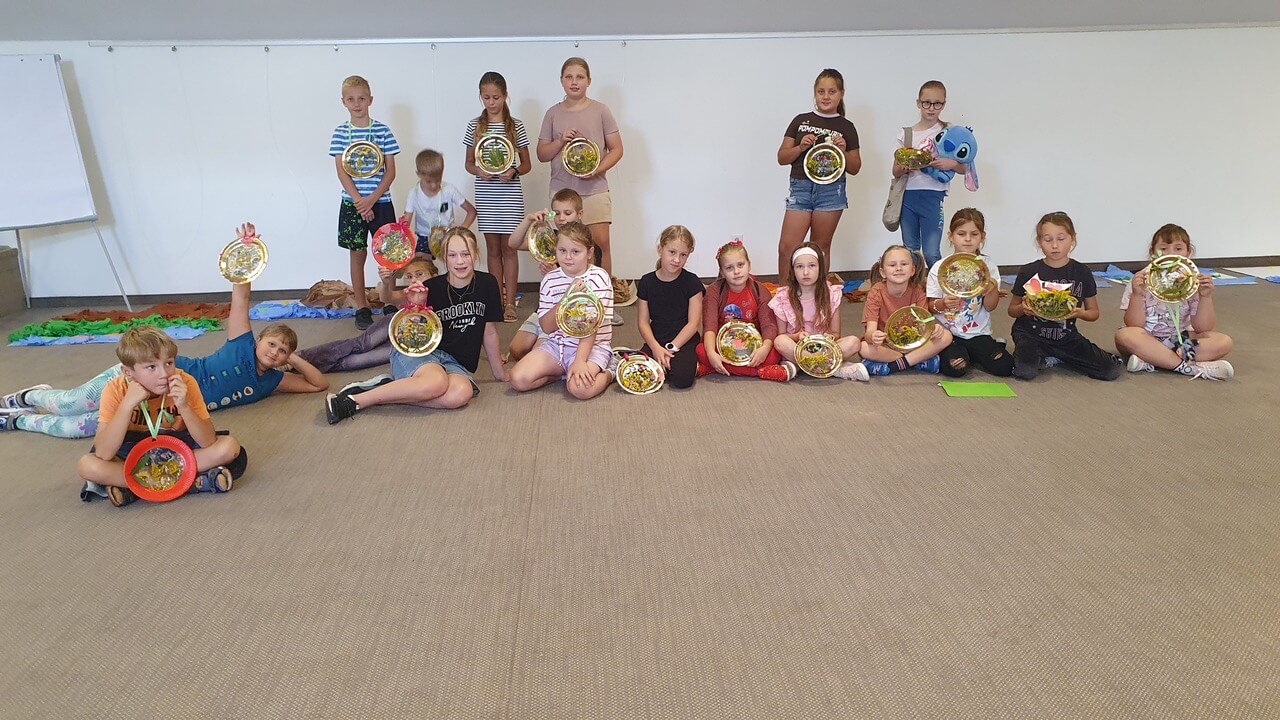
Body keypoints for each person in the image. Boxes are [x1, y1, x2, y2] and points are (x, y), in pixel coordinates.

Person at [0, 223, 328, 438]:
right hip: (148, 371)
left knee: (78, 429)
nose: (275, 352)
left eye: (282, 351)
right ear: (257, 340)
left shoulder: (272, 382)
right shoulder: (240, 344)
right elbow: (240, 297)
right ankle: (29, 396)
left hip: (160, 406)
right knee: (73, 402)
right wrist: (248, 250)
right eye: (272, 344)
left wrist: (294, 359)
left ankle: (18, 420)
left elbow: (318, 385)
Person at [325, 228, 507, 423]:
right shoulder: (432, 286)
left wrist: (500, 374)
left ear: (476, 254)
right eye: (452, 255)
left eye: (466, 254)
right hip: (421, 352)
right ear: (444, 258)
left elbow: (489, 333)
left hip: (454, 362)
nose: (460, 261)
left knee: (461, 394)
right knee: (436, 383)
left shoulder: (488, 283)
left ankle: (392, 389)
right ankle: (353, 401)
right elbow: (389, 298)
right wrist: (390, 286)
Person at [74, 326, 244, 507]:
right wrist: (126, 406)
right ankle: (192, 482)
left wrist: (184, 406)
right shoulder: (115, 389)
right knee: (87, 465)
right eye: (151, 367)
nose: (164, 374)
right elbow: (103, 453)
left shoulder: (185, 382)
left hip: (177, 448)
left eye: (169, 363)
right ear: (128, 372)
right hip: (132, 452)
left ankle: (134, 486)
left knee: (229, 447)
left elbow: (208, 441)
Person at [1007, 212, 1123, 381]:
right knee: (1025, 371)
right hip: (1030, 335)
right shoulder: (1028, 271)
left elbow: (1093, 313)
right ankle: (1047, 357)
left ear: (1072, 239)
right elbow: (1012, 310)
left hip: (1066, 337)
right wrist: (1023, 309)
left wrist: (1080, 313)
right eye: (1048, 240)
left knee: (1110, 371)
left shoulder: (1082, 272)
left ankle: (1054, 357)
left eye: (1061, 239)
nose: (1055, 245)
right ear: (1039, 242)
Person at [536, 57, 624, 278]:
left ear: (589, 81)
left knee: (600, 245)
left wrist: (596, 169)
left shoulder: (601, 110)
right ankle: (566, 294)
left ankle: (603, 293)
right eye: (569, 77)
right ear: (561, 80)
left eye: (580, 77)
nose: (574, 82)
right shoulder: (552, 113)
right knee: (564, 247)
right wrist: (560, 141)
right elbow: (541, 154)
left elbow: (617, 149)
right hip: (561, 193)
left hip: (595, 190)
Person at [507, 222, 614, 400]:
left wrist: (579, 362)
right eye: (562, 250)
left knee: (580, 390)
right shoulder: (550, 279)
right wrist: (566, 299)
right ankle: (562, 374)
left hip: (592, 347)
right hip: (557, 345)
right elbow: (547, 327)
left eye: (576, 251)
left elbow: (591, 328)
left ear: (589, 253)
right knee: (518, 379)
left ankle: (611, 371)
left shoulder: (599, 278)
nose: (568, 257)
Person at [1115, 224, 1234, 380]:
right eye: (1163, 249)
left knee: (1224, 341)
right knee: (1125, 335)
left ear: (1188, 253)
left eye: (1178, 248)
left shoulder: (1193, 281)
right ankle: (1189, 368)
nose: (1171, 253)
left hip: (1178, 341)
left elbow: (1203, 327)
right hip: (1146, 338)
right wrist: (1137, 294)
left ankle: (1153, 361)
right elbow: (1134, 324)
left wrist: (1205, 297)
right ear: (1152, 253)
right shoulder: (1141, 279)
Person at [775, 68, 862, 281]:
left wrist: (842, 150)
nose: (826, 96)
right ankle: (785, 296)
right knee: (787, 248)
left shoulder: (847, 127)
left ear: (841, 94)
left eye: (832, 91)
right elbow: (782, 157)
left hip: (831, 191)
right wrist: (800, 148)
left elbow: (855, 167)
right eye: (821, 91)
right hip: (801, 188)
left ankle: (818, 296)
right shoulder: (800, 120)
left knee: (820, 248)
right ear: (814, 93)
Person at [329, 75, 400, 329]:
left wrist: (371, 200)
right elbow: (342, 173)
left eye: (361, 98)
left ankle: (389, 300)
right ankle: (362, 306)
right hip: (353, 205)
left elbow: (390, 172)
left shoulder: (382, 131)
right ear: (343, 102)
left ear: (370, 100)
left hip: (381, 201)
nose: (357, 104)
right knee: (357, 254)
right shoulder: (340, 133)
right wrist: (360, 202)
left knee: (389, 255)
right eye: (351, 99)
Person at [464, 72, 532, 322]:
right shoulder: (474, 126)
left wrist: (514, 171)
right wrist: (479, 171)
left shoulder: (516, 126)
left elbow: (527, 164)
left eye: (496, 97)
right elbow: (469, 163)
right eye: (486, 97)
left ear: (505, 96)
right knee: (492, 249)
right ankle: (497, 301)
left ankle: (510, 303)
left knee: (509, 248)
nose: (491, 102)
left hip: (510, 193)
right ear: (480, 97)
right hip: (486, 194)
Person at [293, 259, 437, 375]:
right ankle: (299, 357)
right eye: (409, 277)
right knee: (361, 344)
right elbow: (387, 298)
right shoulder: (409, 292)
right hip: (394, 323)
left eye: (419, 274)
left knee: (356, 361)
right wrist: (386, 283)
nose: (414, 280)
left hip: (407, 342)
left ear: (435, 275)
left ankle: (301, 367)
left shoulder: (441, 291)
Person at [926, 208, 1012, 377]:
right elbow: (931, 307)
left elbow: (990, 307)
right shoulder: (940, 267)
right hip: (948, 335)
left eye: (974, 234)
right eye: (961, 234)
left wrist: (991, 288)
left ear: (982, 237)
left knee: (1005, 367)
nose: (967, 239)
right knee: (955, 368)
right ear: (950, 236)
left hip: (978, 333)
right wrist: (943, 304)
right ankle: (963, 355)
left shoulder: (987, 266)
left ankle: (977, 352)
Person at [505, 189, 584, 363]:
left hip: (567, 311)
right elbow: (513, 243)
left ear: (580, 215)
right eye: (556, 213)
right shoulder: (549, 237)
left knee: (536, 353)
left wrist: (555, 276)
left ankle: (553, 358)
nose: (561, 218)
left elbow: (585, 285)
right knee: (516, 349)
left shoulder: (585, 244)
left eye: (567, 213)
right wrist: (528, 220)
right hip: (544, 308)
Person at [696, 241, 793, 383]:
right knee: (701, 351)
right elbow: (709, 327)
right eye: (729, 268)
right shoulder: (714, 291)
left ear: (749, 265)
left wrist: (764, 349)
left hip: (753, 346)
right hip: (723, 345)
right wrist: (711, 353)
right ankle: (759, 371)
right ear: (722, 272)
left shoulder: (760, 290)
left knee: (775, 354)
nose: (736, 271)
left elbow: (769, 326)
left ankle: (715, 368)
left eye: (740, 265)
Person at [892, 80, 964, 268]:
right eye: (927, 103)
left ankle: (935, 287)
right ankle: (912, 286)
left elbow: (965, 168)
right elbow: (895, 170)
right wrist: (907, 166)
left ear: (944, 104)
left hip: (933, 195)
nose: (931, 108)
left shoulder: (949, 132)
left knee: (931, 252)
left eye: (937, 103)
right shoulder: (906, 134)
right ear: (918, 103)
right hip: (908, 195)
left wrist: (951, 163)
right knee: (910, 251)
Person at [770, 243, 867, 380]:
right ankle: (832, 368)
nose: (805, 272)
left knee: (854, 342)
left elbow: (836, 333)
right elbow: (782, 335)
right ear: (793, 270)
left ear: (820, 268)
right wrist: (797, 336)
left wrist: (830, 337)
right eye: (799, 266)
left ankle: (801, 366)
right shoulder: (783, 297)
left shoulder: (831, 294)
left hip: (823, 348)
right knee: (780, 342)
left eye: (812, 266)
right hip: (797, 347)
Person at [860, 245, 952, 375]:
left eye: (904, 264)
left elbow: (925, 325)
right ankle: (917, 361)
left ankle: (896, 365)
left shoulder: (917, 291)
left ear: (912, 270)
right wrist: (873, 337)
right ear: (883, 272)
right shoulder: (876, 292)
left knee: (946, 336)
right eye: (892, 265)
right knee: (863, 347)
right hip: (886, 346)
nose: (898, 268)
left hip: (913, 345)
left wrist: (934, 329)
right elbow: (869, 333)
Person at [635, 226, 704, 389]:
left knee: (682, 380)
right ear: (660, 250)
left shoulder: (692, 282)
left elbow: (693, 324)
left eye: (683, 255)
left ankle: (690, 363)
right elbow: (643, 322)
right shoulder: (646, 282)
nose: (677, 260)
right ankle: (663, 365)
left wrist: (671, 348)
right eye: (672, 252)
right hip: (656, 339)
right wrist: (655, 348)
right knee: (639, 373)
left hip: (684, 340)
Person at [403, 149, 477, 269]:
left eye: (438, 180)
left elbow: (471, 211)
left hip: (447, 235)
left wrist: (461, 229)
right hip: (425, 236)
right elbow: (406, 222)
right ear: (419, 174)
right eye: (429, 181)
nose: (434, 185)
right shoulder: (414, 194)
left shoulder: (449, 190)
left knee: (455, 265)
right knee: (421, 266)